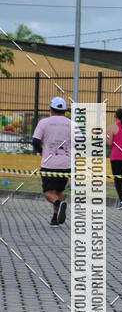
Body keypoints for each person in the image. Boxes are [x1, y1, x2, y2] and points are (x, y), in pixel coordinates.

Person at [31, 96, 74, 226]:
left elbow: (35, 141)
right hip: (66, 163)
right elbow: (81, 141)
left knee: (49, 192)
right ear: (65, 111)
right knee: (59, 191)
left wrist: (40, 151)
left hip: (49, 163)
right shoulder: (71, 124)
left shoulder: (44, 123)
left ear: (51, 109)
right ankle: (55, 218)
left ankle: (59, 204)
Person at [106, 108, 122, 209]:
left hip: (117, 155)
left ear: (115, 116)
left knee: (117, 178)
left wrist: (107, 137)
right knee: (121, 175)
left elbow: (109, 143)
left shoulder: (111, 128)